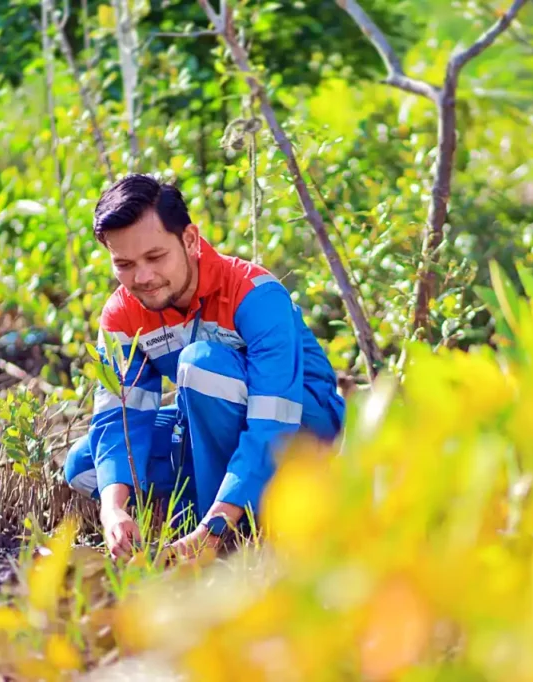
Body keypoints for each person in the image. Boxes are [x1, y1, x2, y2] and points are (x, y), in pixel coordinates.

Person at [63, 173, 346, 562]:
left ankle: (223, 535)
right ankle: (213, 517)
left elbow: (273, 420)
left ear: (191, 240)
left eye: (155, 257)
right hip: (209, 428)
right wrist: (113, 508)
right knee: (85, 465)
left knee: (201, 366)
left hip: (299, 432)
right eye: (124, 264)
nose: (142, 277)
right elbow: (120, 419)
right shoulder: (122, 314)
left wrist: (213, 526)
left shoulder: (254, 294)